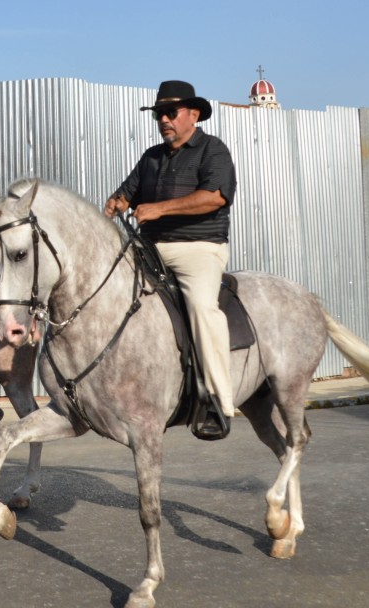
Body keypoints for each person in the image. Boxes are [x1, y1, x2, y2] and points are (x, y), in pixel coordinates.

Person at [104, 80, 237, 440]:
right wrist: (114, 205)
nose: (164, 119)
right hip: (149, 248)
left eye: (170, 112)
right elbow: (125, 196)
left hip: (198, 248)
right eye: (159, 113)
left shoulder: (213, 150)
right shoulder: (151, 157)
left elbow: (214, 198)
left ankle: (218, 402)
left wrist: (158, 209)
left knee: (201, 309)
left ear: (193, 114)